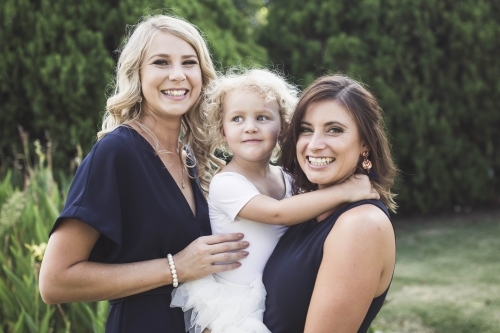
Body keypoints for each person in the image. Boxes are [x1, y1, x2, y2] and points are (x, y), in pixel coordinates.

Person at [38, 15, 251, 332]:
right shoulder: (116, 153)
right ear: (138, 73)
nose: (177, 75)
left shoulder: (191, 159)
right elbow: (55, 281)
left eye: (188, 63)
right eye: (161, 62)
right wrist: (175, 267)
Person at [170, 69, 380, 333]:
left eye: (262, 117)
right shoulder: (227, 183)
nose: (250, 127)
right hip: (235, 301)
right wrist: (346, 191)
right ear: (222, 131)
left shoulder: (287, 178)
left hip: (263, 297)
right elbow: (279, 213)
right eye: (237, 119)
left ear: (282, 127)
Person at [263, 75, 398, 333]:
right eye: (306, 129)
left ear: (365, 145)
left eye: (334, 129)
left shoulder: (361, 225)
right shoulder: (305, 211)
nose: (314, 145)